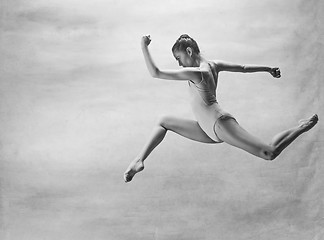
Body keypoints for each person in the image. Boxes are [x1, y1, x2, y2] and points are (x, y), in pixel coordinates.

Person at [123, 34, 318, 183]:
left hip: (219, 123)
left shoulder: (196, 73)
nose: (179, 63)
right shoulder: (213, 65)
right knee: (164, 121)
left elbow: (156, 72)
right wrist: (267, 69)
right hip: (206, 128)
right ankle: (139, 160)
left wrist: (143, 47)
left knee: (269, 153)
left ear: (189, 51)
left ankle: (302, 126)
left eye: (179, 57)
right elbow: (242, 67)